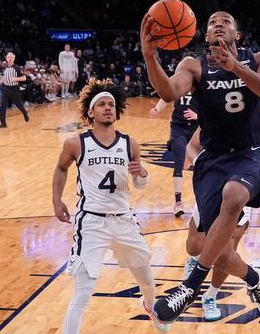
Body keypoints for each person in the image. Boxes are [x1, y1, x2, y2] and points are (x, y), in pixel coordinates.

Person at [140, 10, 260, 323]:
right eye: (213, 22)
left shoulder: (259, 58)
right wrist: (150, 56)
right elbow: (168, 92)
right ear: (204, 35)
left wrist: (238, 68)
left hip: (249, 154)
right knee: (199, 246)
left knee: (234, 196)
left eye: (227, 21)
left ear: (237, 34)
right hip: (213, 158)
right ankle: (255, 278)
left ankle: (192, 287)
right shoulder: (194, 65)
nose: (219, 24)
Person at [51, 78, 168, 333]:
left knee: (148, 282)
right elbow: (61, 168)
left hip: (124, 220)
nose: (107, 108)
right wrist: (56, 199)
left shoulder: (130, 144)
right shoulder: (76, 143)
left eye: (111, 104)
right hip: (92, 222)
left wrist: (143, 173)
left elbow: (138, 185)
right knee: (83, 293)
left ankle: (150, 308)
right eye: (101, 104)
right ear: (90, 112)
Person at [183, 119, 260, 321]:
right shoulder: (216, 119)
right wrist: (199, 162)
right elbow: (192, 146)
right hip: (212, 183)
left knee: (223, 253)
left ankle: (210, 296)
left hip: (243, 187)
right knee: (194, 247)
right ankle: (254, 275)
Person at [149, 92, 199, 216]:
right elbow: (167, 97)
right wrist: (157, 109)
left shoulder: (203, 81)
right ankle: (178, 203)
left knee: (201, 164)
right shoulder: (181, 82)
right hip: (179, 128)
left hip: (197, 128)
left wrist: (198, 115)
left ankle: (203, 202)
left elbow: (213, 105)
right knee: (179, 163)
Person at [0, 52, 29, 128]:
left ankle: (24, 112)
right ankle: (3, 123)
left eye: (11, 57)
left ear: (14, 59)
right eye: (8, 57)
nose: (10, 58)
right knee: (2, 106)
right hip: (6, 88)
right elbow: (5, 77)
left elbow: (24, 78)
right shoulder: (6, 68)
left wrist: (16, 79)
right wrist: (0, 82)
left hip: (14, 88)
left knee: (18, 104)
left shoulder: (17, 68)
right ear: (6, 59)